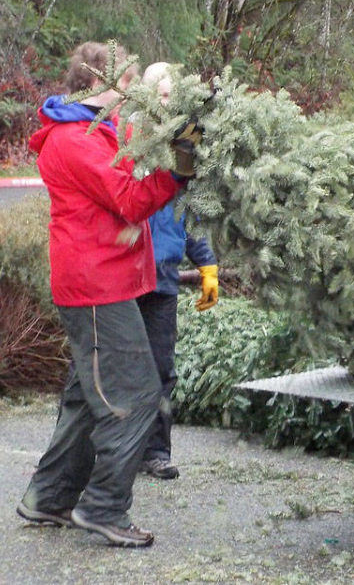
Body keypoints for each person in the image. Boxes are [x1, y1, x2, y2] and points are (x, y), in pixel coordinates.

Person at [17, 42, 196, 549]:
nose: (137, 92)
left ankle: (48, 497)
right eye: (131, 82)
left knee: (83, 399)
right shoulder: (76, 141)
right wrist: (181, 167)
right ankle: (103, 508)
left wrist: (185, 133)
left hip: (106, 284)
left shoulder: (98, 132)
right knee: (135, 395)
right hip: (95, 289)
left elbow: (134, 171)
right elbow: (131, 198)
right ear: (103, 84)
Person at [137, 62, 219, 481]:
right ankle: (111, 451)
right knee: (116, 367)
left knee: (161, 369)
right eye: (163, 96)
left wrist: (207, 265)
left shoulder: (187, 144)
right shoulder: (129, 140)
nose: (169, 104)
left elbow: (192, 213)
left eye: (174, 96)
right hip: (123, 275)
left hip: (164, 277)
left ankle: (155, 452)